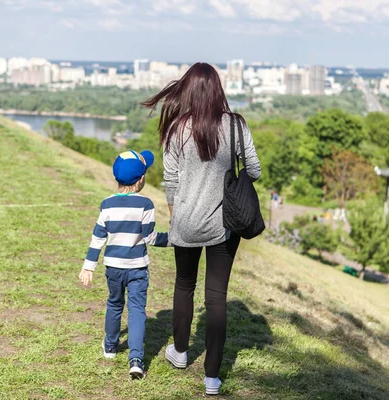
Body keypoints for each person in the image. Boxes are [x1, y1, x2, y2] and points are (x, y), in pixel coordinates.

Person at [142, 63, 261, 395]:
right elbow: (254, 169)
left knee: (184, 286)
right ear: (219, 89)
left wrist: (175, 212)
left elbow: (170, 180)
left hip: (186, 222)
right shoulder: (236, 125)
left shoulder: (178, 129)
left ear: (189, 91)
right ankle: (211, 377)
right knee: (217, 297)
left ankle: (180, 353)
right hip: (225, 225)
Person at [78, 150, 170, 379]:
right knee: (137, 310)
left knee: (114, 304)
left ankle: (110, 347)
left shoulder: (106, 205)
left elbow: (97, 237)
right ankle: (136, 359)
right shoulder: (146, 204)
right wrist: (173, 239)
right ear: (141, 180)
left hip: (113, 268)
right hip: (137, 268)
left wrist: (89, 266)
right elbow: (150, 238)